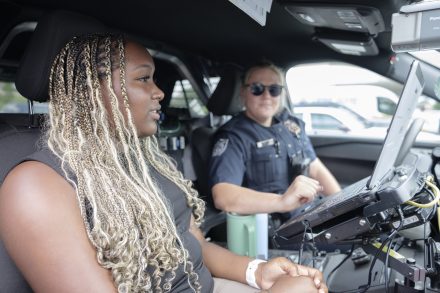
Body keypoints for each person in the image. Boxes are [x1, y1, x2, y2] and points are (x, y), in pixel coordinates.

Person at [0, 34, 327, 292]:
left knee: (305, 284)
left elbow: (192, 243)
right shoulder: (36, 184)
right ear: (93, 92)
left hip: (207, 286)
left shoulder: (147, 161)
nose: (159, 92)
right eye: (144, 79)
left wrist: (256, 272)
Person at [209, 61, 341, 229]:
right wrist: (281, 202)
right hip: (276, 228)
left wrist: (341, 204)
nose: (267, 96)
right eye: (257, 88)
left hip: (310, 213)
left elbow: (314, 167)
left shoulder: (291, 125)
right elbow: (223, 196)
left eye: (274, 90)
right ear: (243, 92)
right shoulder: (234, 136)